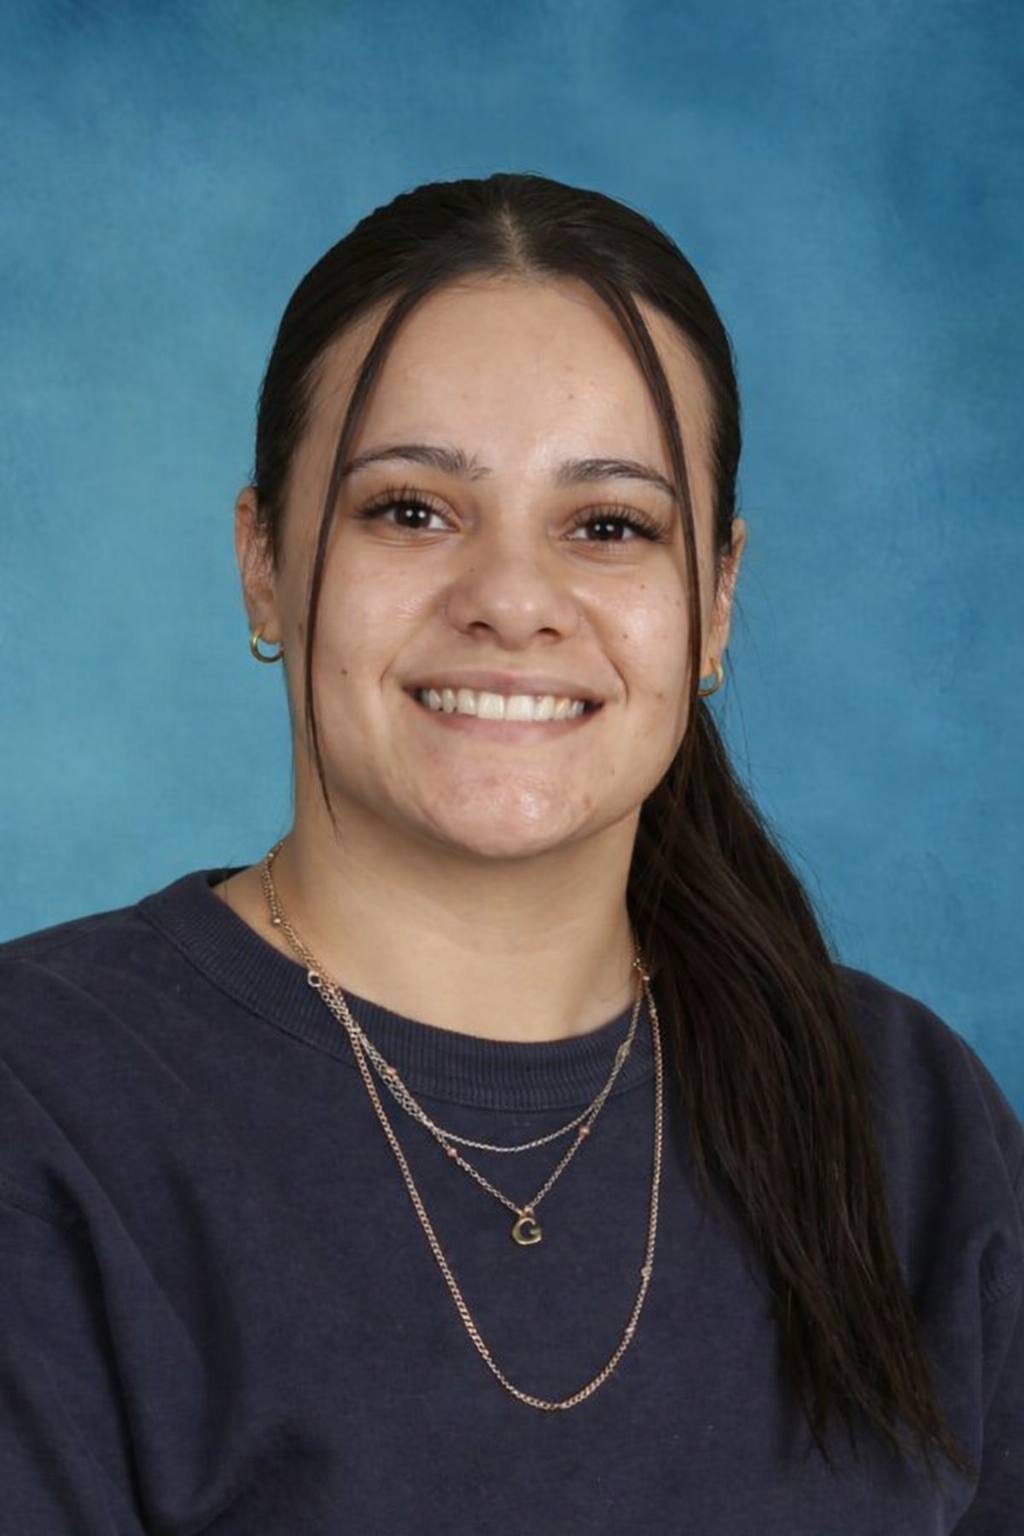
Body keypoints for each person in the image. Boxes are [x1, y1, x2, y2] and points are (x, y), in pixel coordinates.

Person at [1, 172, 1020, 1536]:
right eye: (411, 510)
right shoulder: (42, 1100)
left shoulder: (913, 1118)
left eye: (610, 526)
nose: (514, 602)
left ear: (717, 600)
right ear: (262, 562)